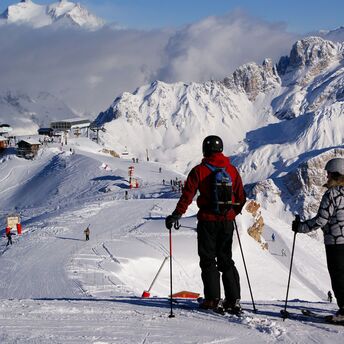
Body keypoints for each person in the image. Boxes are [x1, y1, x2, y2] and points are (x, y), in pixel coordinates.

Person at [165, 135, 246, 313]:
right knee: (226, 260)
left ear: (205, 150)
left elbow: (187, 195)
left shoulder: (199, 171)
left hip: (207, 222)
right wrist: (231, 213)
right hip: (227, 222)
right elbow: (241, 197)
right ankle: (233, 300)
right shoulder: (232, 170)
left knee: (208, 260)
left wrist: (176, 215)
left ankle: (212, 299)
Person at [292, 158, 344, 320]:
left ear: (336, 174)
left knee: (338, 276)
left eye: (328, 174)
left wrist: (300, 227)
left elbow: (321, 220)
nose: (326, 177)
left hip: (336, 243)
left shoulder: (332, 194)